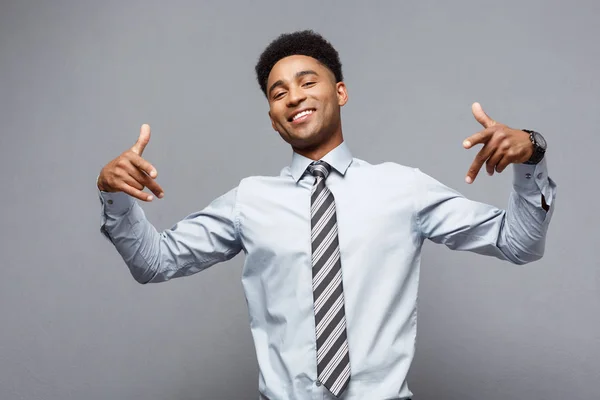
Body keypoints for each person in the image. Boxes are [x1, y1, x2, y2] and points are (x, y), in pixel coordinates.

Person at [97, 30, 557, 400]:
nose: (293, 96)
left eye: (307, 81)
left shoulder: (403, 188)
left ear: (340, 92)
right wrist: (114, 195)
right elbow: (154, 262)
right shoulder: (249, 200)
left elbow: (518, 243)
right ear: (273, 117)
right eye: (279, 93)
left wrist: (531, 154)